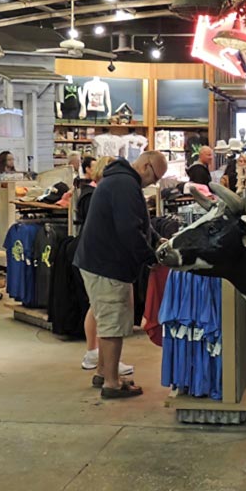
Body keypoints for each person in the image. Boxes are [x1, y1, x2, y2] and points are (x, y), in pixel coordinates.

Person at [73, 152, 167, 398]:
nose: (153, 183)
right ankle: (112, 384)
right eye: (155, 177)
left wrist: (157, 240)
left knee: (108, 321)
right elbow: (129, 230)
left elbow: (138, 224)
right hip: (107, 264)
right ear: (146, 166)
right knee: (113, 323)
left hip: (100, 262)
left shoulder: (120, 180)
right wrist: (150, 258)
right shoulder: (125, 184)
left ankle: (105, 373)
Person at [74, 156, 132, 379]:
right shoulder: (96, 194)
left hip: (94, 257)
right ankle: (101, 364)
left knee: (98, 308)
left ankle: (101, 363)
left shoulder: (96, 192)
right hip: (99, 259)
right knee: (103, 312)